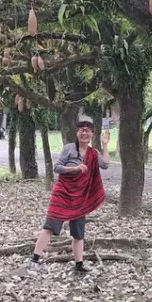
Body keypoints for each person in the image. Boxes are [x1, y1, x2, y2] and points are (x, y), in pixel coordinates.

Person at [29, 115, 110, 273]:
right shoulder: (69, 148)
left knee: (78, 232)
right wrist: (74, 169)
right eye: (81, 130)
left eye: (87, 131)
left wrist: (105, 145)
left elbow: (106, 165)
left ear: (92, 134)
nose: (84, 133)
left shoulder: (93, 153)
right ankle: (34, 260)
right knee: (50, 227)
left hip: (81, 197)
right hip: (62, 193)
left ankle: (79, 265)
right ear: (77, 132)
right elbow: (57, 168)